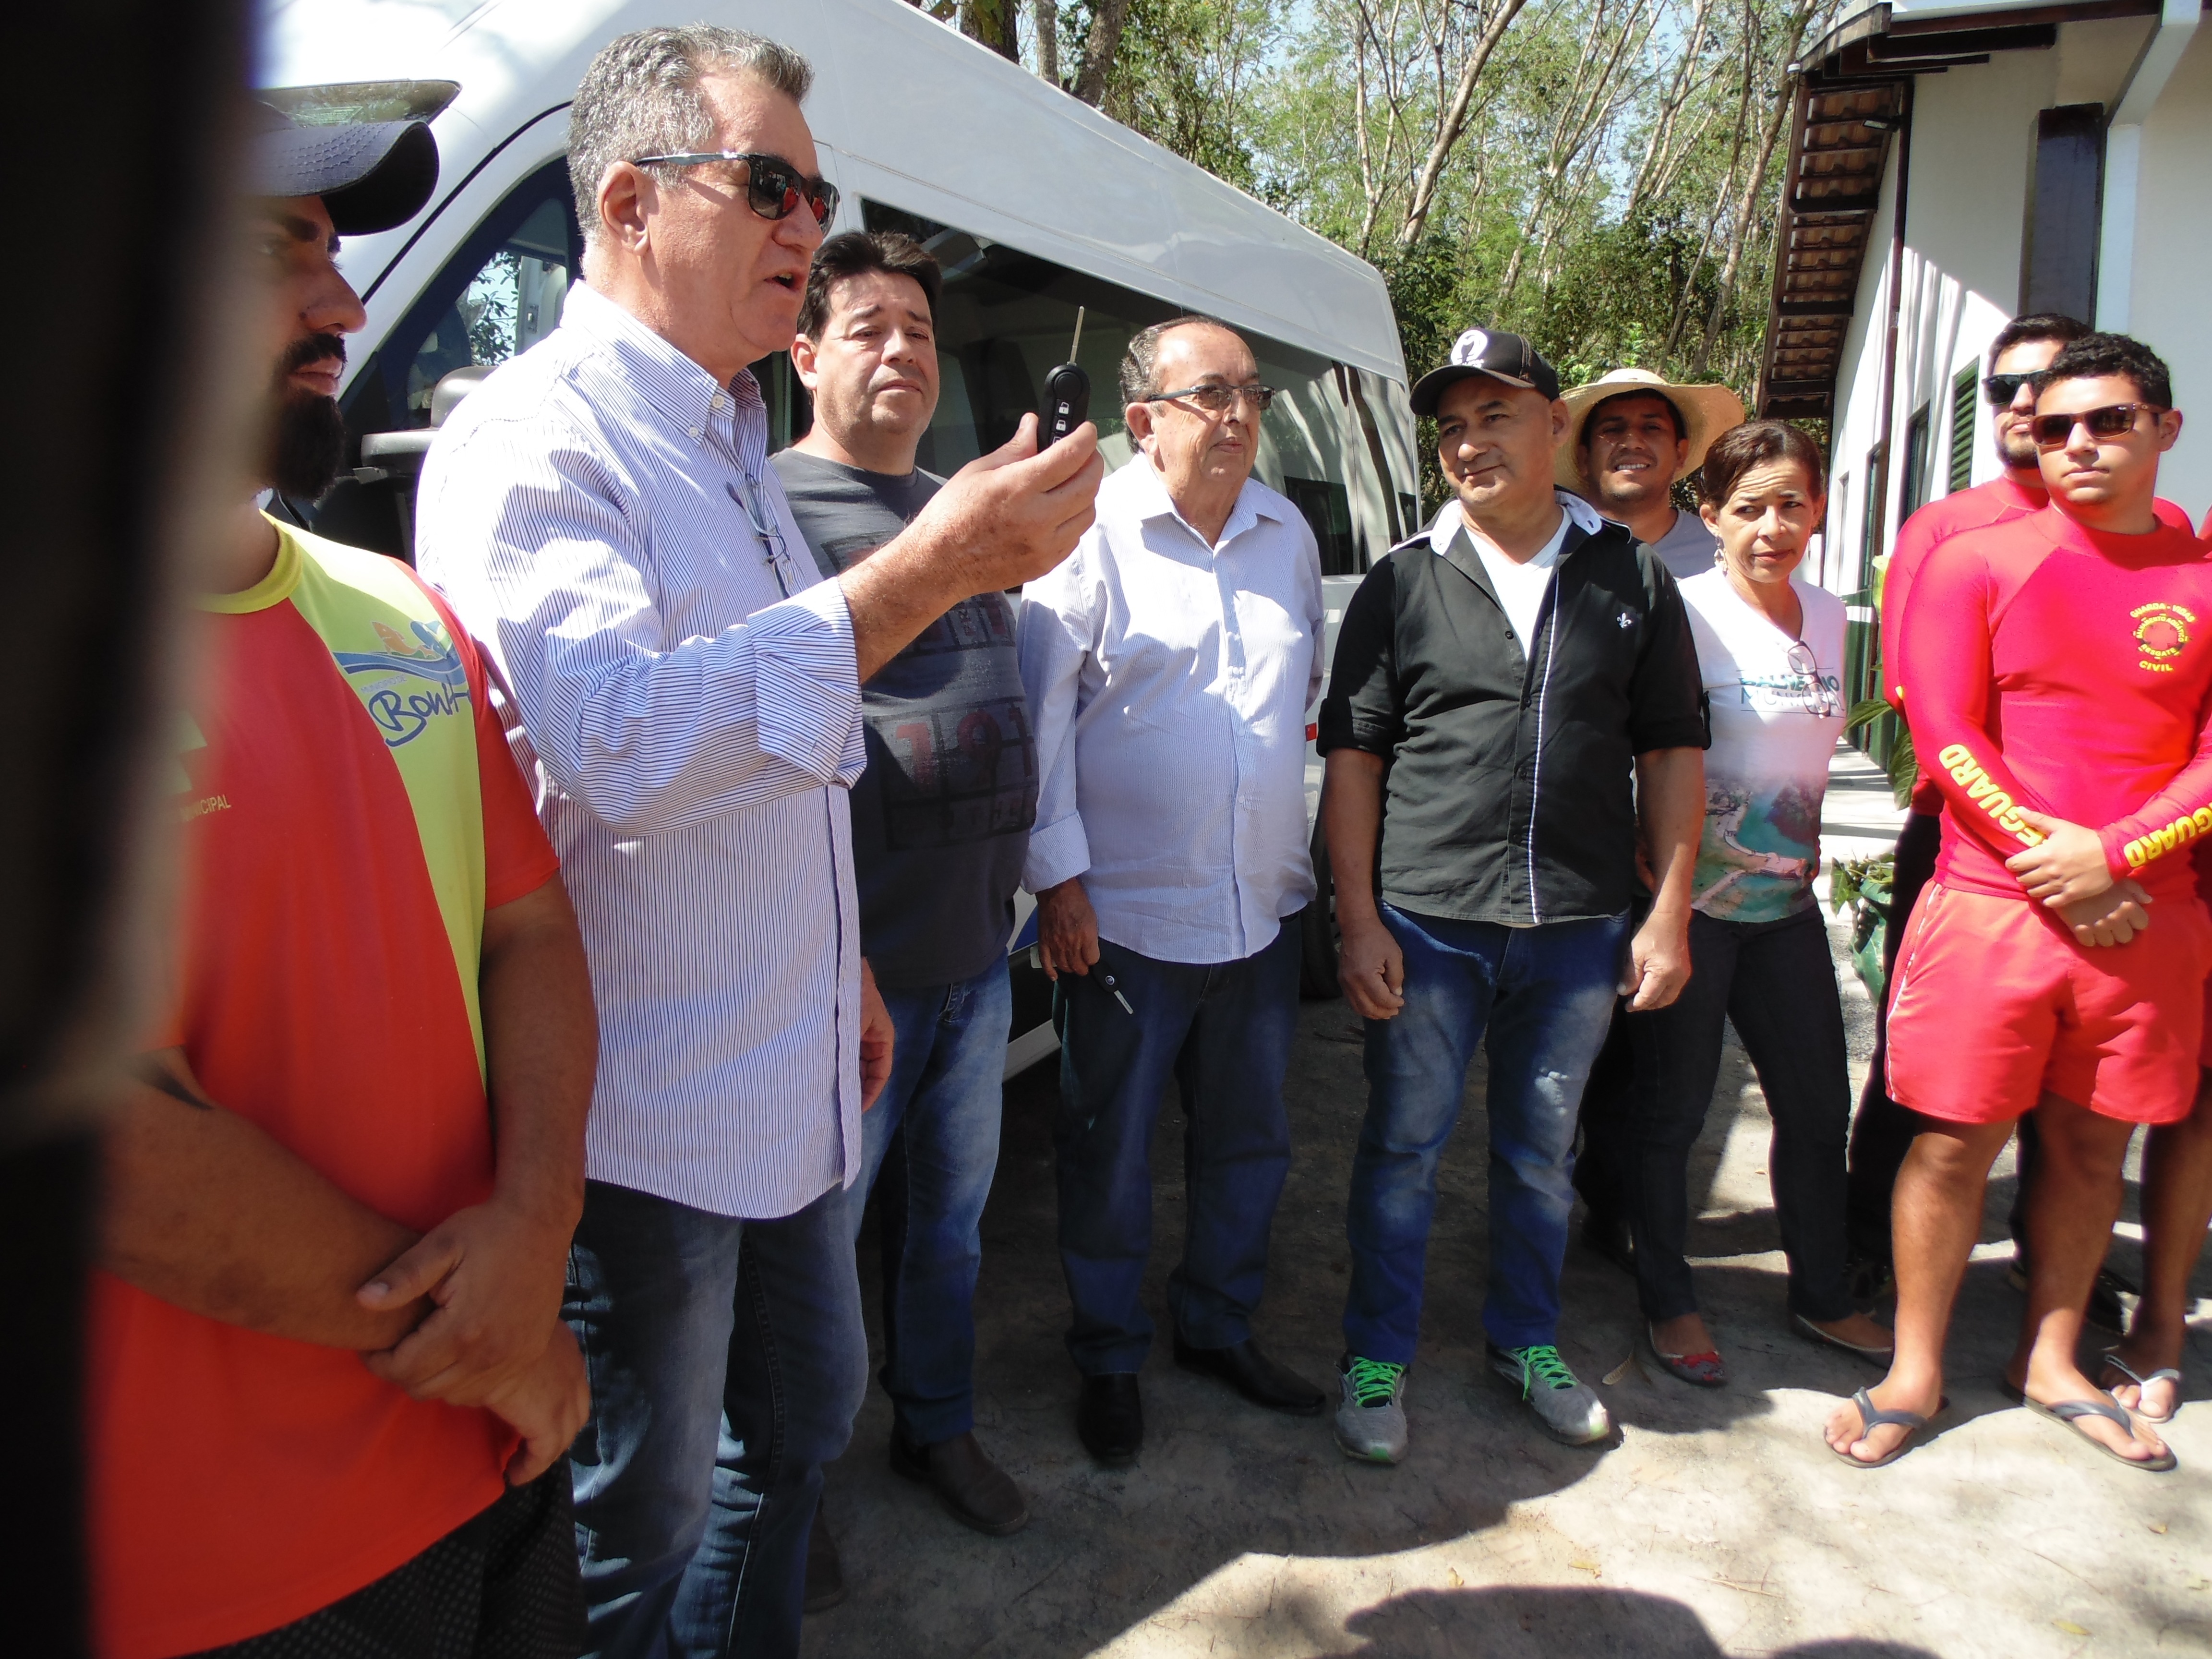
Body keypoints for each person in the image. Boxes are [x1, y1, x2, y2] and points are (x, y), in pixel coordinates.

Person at [414, 25, 1101, 1658]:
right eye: (773, 183)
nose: (808, 220)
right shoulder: (538, 439)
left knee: (796, 1435)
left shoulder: (728, 442)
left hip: (793, 1068)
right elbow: (631, 750)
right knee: (629, 1532)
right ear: (634, 202)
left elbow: (779, 758)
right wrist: (927, 571)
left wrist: (842, 957)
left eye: (818, 188)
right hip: (642, 1126)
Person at [90, 106, 597, 1659]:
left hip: (487, 1469)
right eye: (275, 250)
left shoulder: (393, 609)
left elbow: (529, 927)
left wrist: (530, 1227)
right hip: (214, 1569)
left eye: (333, 252)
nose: (347, 306)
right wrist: (495, 1336)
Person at [1321, 326, 1708, 1463]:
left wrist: (1671, 912)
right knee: (1403, 1146)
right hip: (1429, 921)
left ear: (1553, 425)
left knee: (1541, 1154)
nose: (1470, 443)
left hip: (1580, 925)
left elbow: (1674, 750)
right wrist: (1355, 918)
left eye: (1497, 416)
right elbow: (1355, 759)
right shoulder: (1402, 580)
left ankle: (1525, 1340)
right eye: (1452, 427)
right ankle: (1377, 1354)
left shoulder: (1628, 574)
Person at [1826, 333, 2202, 1471]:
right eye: (2053, 427)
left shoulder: (2199, 577)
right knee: (1951, 1146)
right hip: (1993, 906)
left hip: (2146, 914)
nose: (2078, 443)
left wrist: (2119, 856)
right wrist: (2065, 867)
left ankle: (2052, 1361)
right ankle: (1915, 1369)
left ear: (2165, 431)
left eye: (2109, 422)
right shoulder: (1975, 562)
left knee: (2094, 1152)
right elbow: (1942, 730)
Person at [1018, 315, 1328, 1467]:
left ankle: (1216, 1325)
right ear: (1143, 421)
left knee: (1250, 1144)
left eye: (1250, 390)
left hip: (1259, 913)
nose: (1241, 413)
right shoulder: (1086, 534)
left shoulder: (1286, 533)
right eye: (1211, 394)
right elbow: (1041, 717)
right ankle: (1107, 1353)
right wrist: (1058, 883)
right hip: (1126, 924)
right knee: (1109, 1147)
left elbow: (1301, 706)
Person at [770, 231, 1033, 1578]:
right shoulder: (771, 511)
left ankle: (937, 1427)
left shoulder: (959, 506)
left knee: (951, 1223)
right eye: (868, 327)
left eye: (920, 332)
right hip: (841, 972)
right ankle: (793, 1490)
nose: (901, 351)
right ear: (805, 354)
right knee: (820, 1247)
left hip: (977, 956)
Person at [1616, 421, 1895, 1387]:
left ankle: (1824, 1292)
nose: (1772, 526)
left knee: (1819, 1110)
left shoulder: (1826, 613)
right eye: (1748, 508)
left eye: (1792, 504)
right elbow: (1626, 745)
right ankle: (1668, 1296)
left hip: (1785, 915)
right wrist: (1642, 870)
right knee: (1673, 1115)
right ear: (1710, 515)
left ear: (1818, 508)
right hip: (1688, 909)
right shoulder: (1678, 612)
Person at [1555, 367, 1745, 1263]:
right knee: (1572, 1051)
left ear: (1680, 451)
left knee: (1660, 1050)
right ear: (1585, 452)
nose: (1630, 441)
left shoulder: (1726, 558)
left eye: (1649, 428)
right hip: (1572, 845)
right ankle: (1579, 1199)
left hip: (1688, 852)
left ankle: (1628, 1211)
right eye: (1611, 428)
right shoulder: (1549, 546)